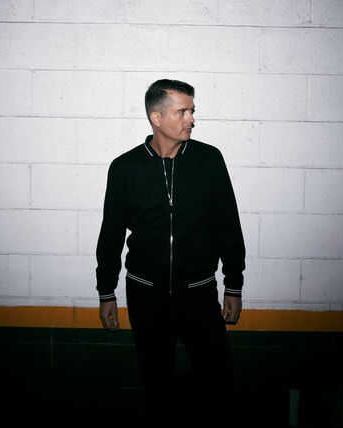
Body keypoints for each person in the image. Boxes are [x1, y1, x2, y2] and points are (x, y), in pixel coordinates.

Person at [96, 79, 246, 423]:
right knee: (156, 384)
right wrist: (106, 292)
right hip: (145, 294)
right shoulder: (125, 167)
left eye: (192, 111)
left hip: (198, 292)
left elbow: (227, 224)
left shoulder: (209, 160)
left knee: (219, 382)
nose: (191, 118)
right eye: (182, 112)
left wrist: (233, 284)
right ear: (157, 118)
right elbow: (111, 234)